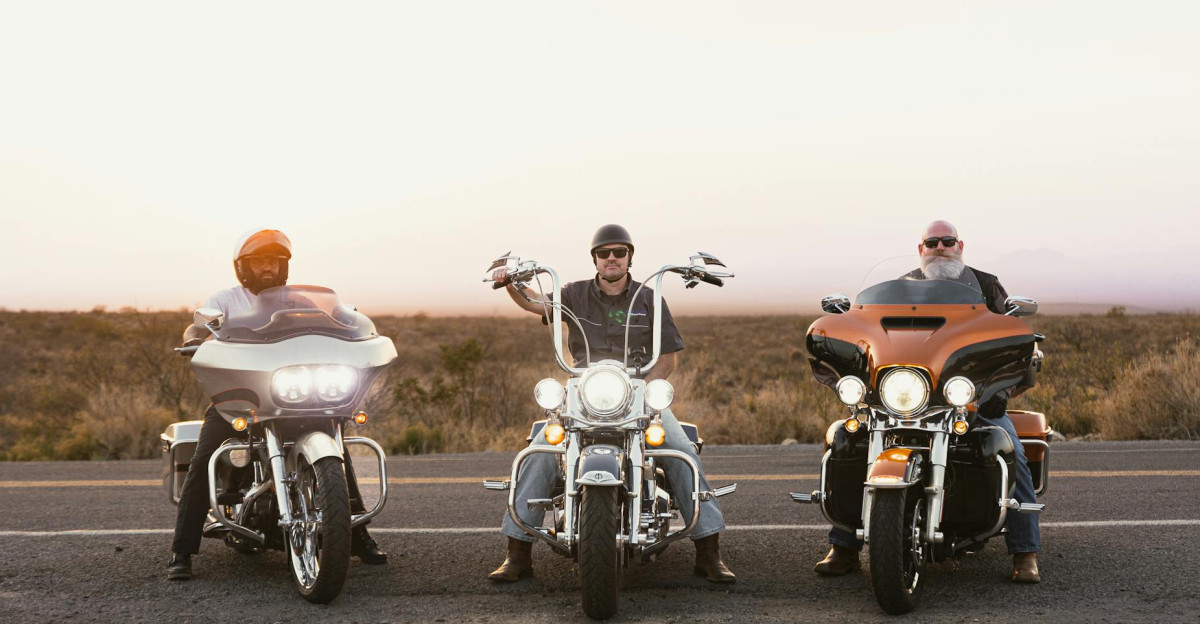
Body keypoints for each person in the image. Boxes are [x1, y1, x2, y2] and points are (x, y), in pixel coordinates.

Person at [486, 224, 736, 584]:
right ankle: (518, 552)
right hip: (583, 391)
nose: (612, 258)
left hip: (636, 392)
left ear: (630, 257)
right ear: (596, 259)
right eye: (605, 253)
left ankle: (709, 550)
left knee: (681, 450)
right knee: (540, 449)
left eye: (619, 252)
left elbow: (667, 358)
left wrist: (645, 389)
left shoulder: (649, 298)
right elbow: (534, 302)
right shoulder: (572, 294)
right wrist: (510, 282)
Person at [813, 219, 1042, 583]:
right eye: (931, 242)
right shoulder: (900, 288)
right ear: (920, 249)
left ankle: (1025, 552)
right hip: (905, 395)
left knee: (1010, 449)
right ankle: (843, 546)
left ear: (960, 245)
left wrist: (988, 388)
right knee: (851, 444)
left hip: (969, 399)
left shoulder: (986, 285)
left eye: (946, 241)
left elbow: (1007, 333)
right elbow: (871, 328)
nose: (939, 247)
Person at [166, 229, 387, 581]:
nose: (266, 268)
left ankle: (358, 536)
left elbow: (338, 323)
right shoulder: (225, 299)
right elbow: (199, 329)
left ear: (283, 266)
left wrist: (356, 331)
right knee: (205, 456)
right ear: (243, 268)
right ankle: (182, 550)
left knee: (339, 456)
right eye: (258, 262)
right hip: (242, 399)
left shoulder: (298, 300)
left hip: (297, 394)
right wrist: (194, 338)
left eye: (273, 262)